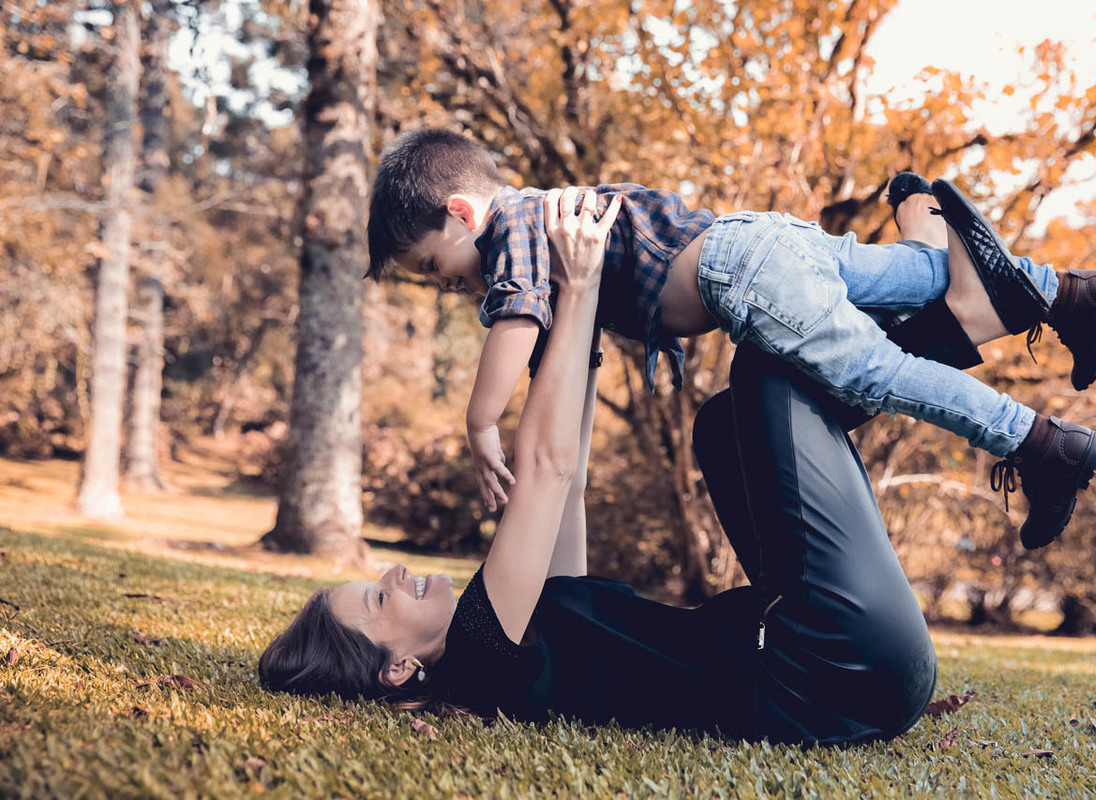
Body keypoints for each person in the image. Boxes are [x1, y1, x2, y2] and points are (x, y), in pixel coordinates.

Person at [260, 188, 942, 744]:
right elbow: (548, 470)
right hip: (832, 667)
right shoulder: (478, 652)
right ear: (398, 669)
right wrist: (580, 287)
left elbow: (569, 482)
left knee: (724, 424)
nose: (393, 574)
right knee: (765, 359)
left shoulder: (518, 635)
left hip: (847, 665)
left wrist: (569, 324)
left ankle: (927, 310)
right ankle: (933, 295)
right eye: (379, 598)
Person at [366, 131, 1096, 550]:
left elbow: (518, 319)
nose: (451, 287)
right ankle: (1069, 293)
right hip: (761, 240)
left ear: (463, 213)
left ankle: (1039, 443)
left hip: (741, 276)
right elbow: (557, 358)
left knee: (875, 373)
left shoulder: (516, 229)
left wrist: (478, 424)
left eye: (437, 269)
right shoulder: (548, 221)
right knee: (920, 282)